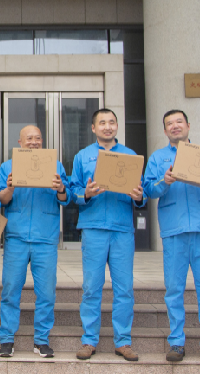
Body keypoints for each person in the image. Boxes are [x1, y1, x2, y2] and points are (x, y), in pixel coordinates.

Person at [142, 110, 200, 364]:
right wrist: (164, 181)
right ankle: (176, 342)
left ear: (188, 125)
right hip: (174, 230)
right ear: (164, 130)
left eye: (179, 121)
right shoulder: (158, 158)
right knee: (174, 289)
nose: (175, 126)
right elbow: (148, 190)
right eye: (169, 123)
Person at [66, 108, 144, 362]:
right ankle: (89, 340)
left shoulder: (130, 155)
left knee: (124, 288)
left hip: (122, 229)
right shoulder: (83, 156)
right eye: (102, 123)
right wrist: (86, 193)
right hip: (94, 228)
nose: (107, 127)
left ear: (117, 126)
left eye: (111, 122)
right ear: (93, 128)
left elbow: (141, 194)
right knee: (91, 287)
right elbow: (73, 190)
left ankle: (123, 341)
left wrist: (139, 197)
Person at [0, 125, 70, 359]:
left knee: (46, 293)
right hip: (16, 237)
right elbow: (1, 200)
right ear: (19, 142)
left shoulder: (55, 166)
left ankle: (41, 340)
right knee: (10, 290)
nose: (34, 142)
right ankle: (7, 339)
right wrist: (9, 188)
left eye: (38, 138)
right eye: (29, 138)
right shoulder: (7, 167)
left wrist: (60, 188)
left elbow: (65, 199)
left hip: (45, 238)